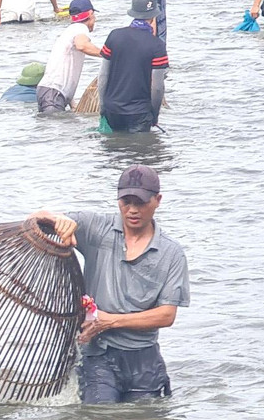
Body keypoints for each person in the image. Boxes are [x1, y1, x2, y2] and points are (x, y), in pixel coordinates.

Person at [28, 165, 188, 404]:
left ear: (158, 200)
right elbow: (35, 219)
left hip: (144, 360)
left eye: (141, 202)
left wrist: (109, 321)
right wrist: (56, 220)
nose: (132, 210)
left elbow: (166, 316)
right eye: (126, 202)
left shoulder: (171, 252)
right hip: (98, 355)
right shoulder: (96, 228)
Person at [97, 0, 167, 133]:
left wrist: (103, 105)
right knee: (139, 152)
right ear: (153, 16)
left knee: (115, 151)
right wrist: (154, 114)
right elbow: (157, 88)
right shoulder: (157, 46)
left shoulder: (114, 36)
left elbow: (103, 76)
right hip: (139, 113)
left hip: (112, 109)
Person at [35, 0, 100, 113]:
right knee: (53, 128)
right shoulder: (81, 28)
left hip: (50, 92)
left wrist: (71, 103)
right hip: (53, 94)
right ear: (91, 14)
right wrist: (108, 54)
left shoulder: (70, 31)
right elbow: (82, 45)